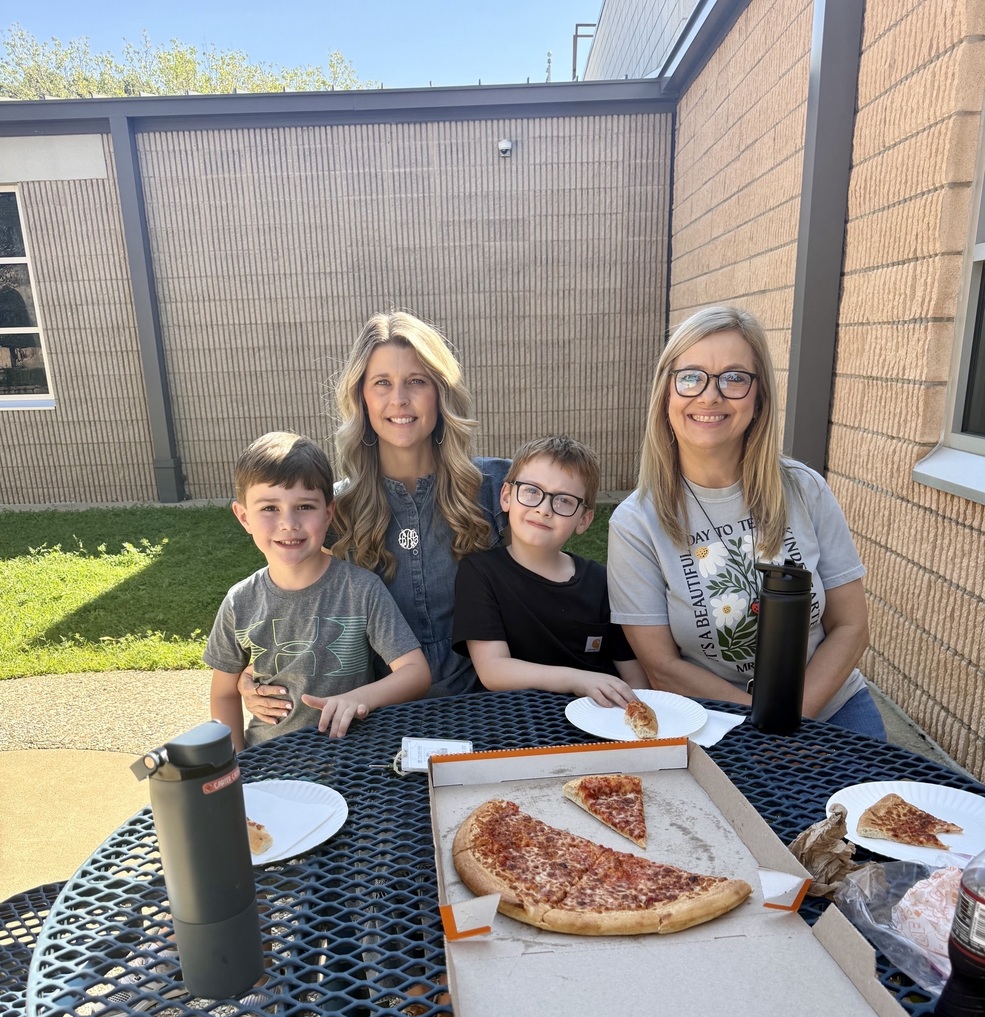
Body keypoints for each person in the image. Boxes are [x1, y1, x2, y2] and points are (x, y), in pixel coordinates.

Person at [606, 305, 886, 739]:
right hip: (717, 721)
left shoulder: (805, 489)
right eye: (691, 376)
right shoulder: (635, 523)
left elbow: (851, 627)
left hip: (831, 707)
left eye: (734, 378)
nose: (710, 396)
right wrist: (763, 728)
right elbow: (663, 667)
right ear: (666, 395)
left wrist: (793, 720)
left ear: (759, 400)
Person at [241, 312, 510, 725]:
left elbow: (544, 590)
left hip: (493, 708)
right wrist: (248, 676)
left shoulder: (497, 489)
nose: (399, 399)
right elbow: (290, 606)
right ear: (361, 397)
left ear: (440, 393)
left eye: (416, 381)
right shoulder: (332, 511)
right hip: (376, 720)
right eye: (382, 383)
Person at [206, 431, 430, 749]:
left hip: (353, 760)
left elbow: (415, 672)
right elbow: (224, 694)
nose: (288, 523)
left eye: (304, 506)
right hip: (271, 761)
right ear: (244, 517)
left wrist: (360, 698)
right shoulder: (238, 602)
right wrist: (237, 765)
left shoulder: (361, 590)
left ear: (328, 513)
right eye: (269, 508)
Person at [453, 435, 646, 705]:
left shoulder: (601, 582)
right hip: (519, 721)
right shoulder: (480, 573)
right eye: (532, 491)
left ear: (584, 519)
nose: (544, 509)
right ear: (507, 497)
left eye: (564, 500)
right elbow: (493, 670)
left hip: (597, 718)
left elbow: (634, 676)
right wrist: (579, 680)